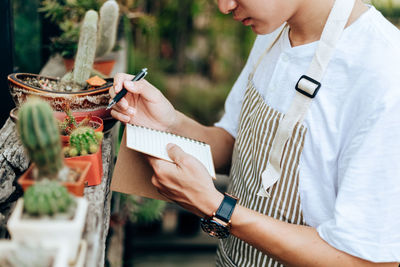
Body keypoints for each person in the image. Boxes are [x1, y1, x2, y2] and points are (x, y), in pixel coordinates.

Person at [109, 0, 400, 266]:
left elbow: (367, 260)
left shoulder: (383, 75)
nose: (224, 7)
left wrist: (218, 208)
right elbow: (236, 145)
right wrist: (170, 123)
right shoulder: (273, 32)